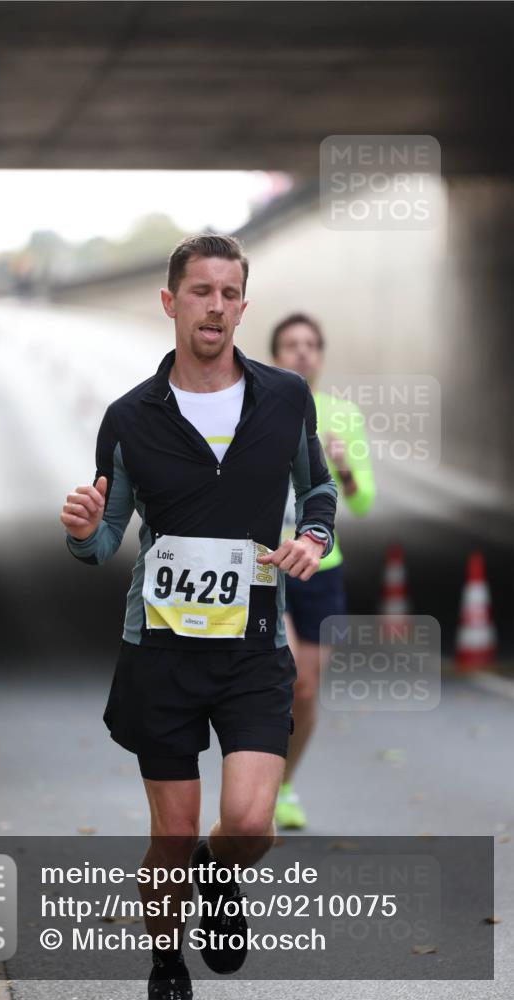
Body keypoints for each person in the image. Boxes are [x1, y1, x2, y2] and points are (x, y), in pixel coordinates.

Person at [60, 235, 337, 1000]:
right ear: (170, 301)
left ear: (243, 306)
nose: (215, 306)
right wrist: (83, 532)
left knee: (247, 823)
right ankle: (166, 965)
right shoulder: (128, 417)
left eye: (228, 293)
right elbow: (104, 539)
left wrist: (314, 537)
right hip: (160, 652)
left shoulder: (285, 397)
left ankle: (218, 872)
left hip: (252, 648)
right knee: (172, 837)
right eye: (200, 291)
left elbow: (317, 488)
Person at [270, 313, 376, 830]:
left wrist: (345, 466)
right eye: (291, 344)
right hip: (269, 565)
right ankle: (254, 778)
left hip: (321, 568)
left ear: (320, 356)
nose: (302, 352)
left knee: (306, 689)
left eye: (311, 344)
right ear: (275, 356)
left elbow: (363, 502)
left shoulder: (342, 416)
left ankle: (283, 786)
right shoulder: (256, 410)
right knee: (286, 673)